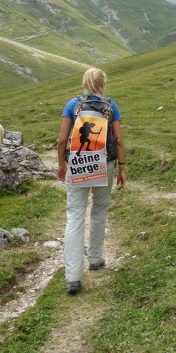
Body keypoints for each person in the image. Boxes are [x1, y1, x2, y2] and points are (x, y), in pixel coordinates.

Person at [57, 67, 126, 295]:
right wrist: (122, 168)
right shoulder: (111, 107)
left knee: (75, 214)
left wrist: (61, 164)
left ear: (85, 82)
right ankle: (95, 259)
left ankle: (73, 277)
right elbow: (119, 140)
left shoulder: (72, 105)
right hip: (104, 163)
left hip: (77, 164)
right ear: (102, 83)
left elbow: (62, 140)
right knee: (99, 210)